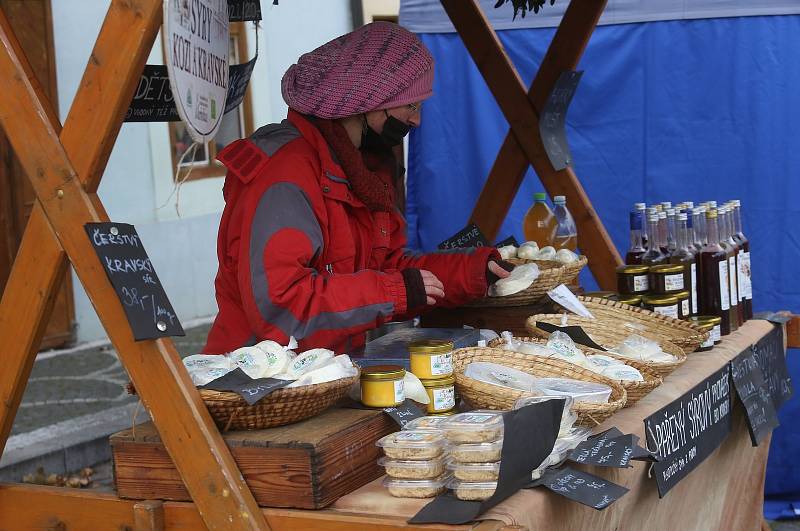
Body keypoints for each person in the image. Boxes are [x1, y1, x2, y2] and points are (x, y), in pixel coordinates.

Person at [203, 22, 511, 355]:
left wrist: (473, 271)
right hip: (257, 384)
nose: (416, 120)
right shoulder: (284, 176)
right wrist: (392, 292)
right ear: (372, 101)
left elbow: (389, 265)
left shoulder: (360, 170)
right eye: (412, 105)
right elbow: (282, 305)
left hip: (324, 376)